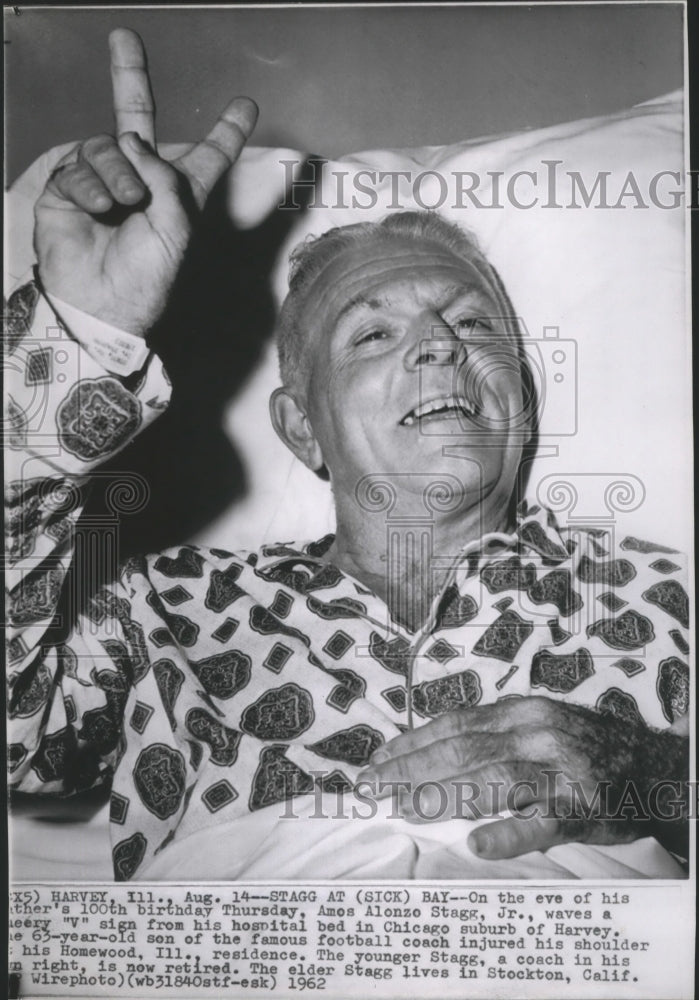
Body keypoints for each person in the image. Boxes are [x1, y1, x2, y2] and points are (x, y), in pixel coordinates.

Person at [6, 29, 689, 881]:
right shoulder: (163, 612)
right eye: (370, 333)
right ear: (301, 430)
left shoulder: (661, 601)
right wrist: (79, 338)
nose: (440, 345)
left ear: (522, 396)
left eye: (473, 322)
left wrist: (662, 780)